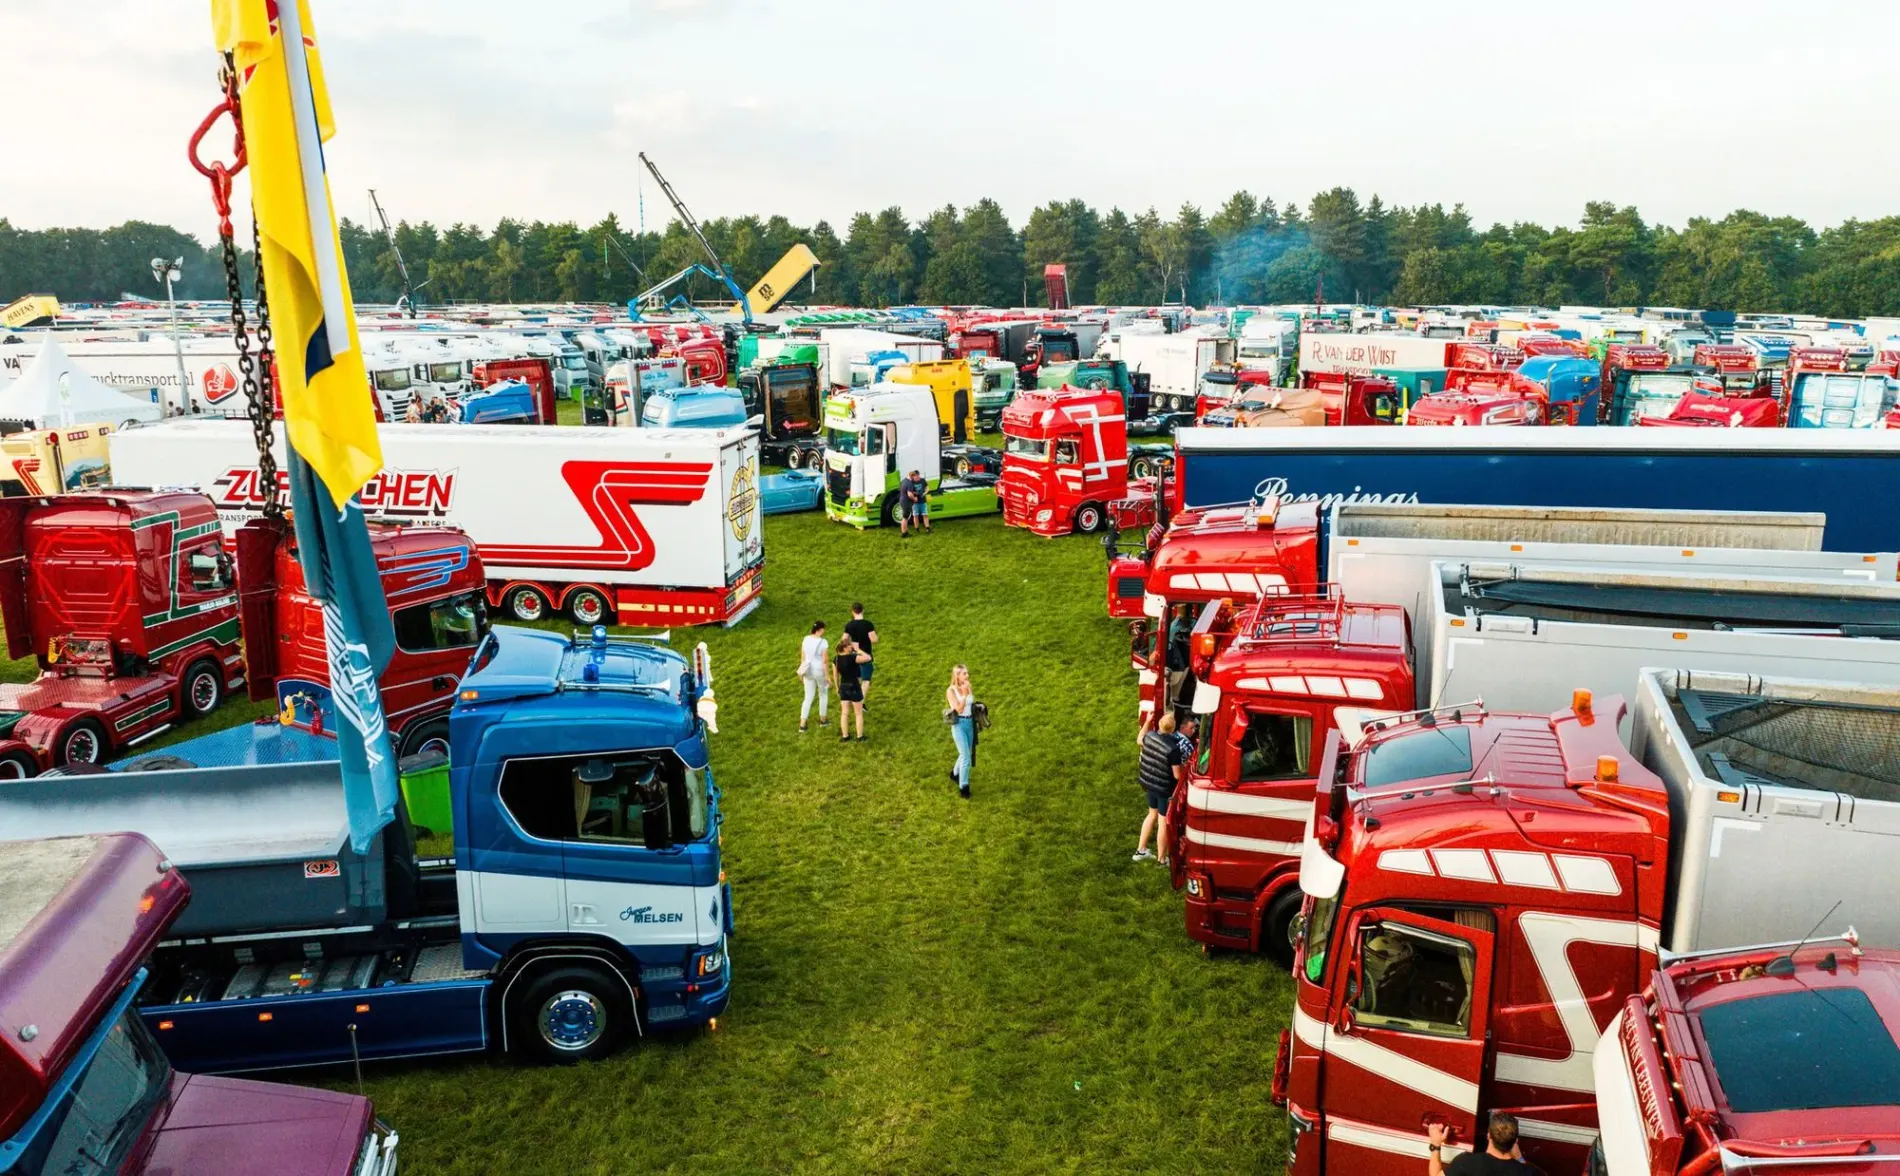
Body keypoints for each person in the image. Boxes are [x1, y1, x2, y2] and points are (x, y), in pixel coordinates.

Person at [1134, 712, 1188, 863]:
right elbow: (1177, 775)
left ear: (1159, 725)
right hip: (1164, 789)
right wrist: (1186, 768)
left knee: (1151, 815)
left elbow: (1139, 739)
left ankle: (1141, 850)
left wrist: (1147, 721)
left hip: (1149, 784)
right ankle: (1162, 859)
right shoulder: (1173, 749)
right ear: (1173, 729)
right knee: (1162, 822)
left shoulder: (1150, 737)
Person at [1428, 1112, 1540, 1175]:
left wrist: (1435, 1145)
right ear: (1516, 1141)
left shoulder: (1467, 1162)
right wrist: (1520, 1159)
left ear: (1488, 1135)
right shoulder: (1530, 1173)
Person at [830, 635, 868, 742]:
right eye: (850, 646)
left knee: (844, 713)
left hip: (843, 687)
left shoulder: (836, 659)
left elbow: (835, 676)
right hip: (854, 687)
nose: (851, 647)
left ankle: (845, 736)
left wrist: (837, 688)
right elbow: (868, 658)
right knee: (858, 713)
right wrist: (858, 650)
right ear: (845, 648)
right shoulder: (853, 657)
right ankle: (860, 737)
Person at [946, 663, 974, 799]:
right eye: (964, 673)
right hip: (959, 725)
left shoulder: (968, 685)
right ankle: (964, 787)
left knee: (965, 753)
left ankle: (954, 773)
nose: (967, 676)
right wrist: (964, 694)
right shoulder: (951, 691)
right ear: (957, 676)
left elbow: (970, 703)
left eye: (967, 673)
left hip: (970, 723)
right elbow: (959, 709)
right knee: (966, 758)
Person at [796, 620, 829, 733]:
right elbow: (825, 661)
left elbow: (803, 657)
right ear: (820, 630)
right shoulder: (823, 642)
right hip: (819, 671)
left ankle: (803, 724)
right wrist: (828, 676)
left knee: (808, 697)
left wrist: (801, 671)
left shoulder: (806, 639)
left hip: (808, 670)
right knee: (823, 694)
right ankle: (823, 720)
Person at [843, 603, 877, 703]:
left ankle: (852, 698)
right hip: (865, 655)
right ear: (863, 610)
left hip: (853, 656)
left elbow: (844, 639)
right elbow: (874, 640)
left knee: (856, 678)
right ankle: (860, 702)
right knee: (866, 680)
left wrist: (851, 645)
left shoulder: (849, 625)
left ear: (852, 611)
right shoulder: (868, 624)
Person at [901, 469, 930, 534]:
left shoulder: (922, 480)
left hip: (923, 501)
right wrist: (916, 494)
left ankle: (928, 528)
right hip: (915, 502)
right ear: (914, 476)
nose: (917, 478)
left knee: (925, 514)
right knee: (915, 515)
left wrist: (925, 493)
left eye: (918, 476)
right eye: (916, 476)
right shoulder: (911, 482)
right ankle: (917, 529)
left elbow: (927, 488)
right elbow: (909, 492)